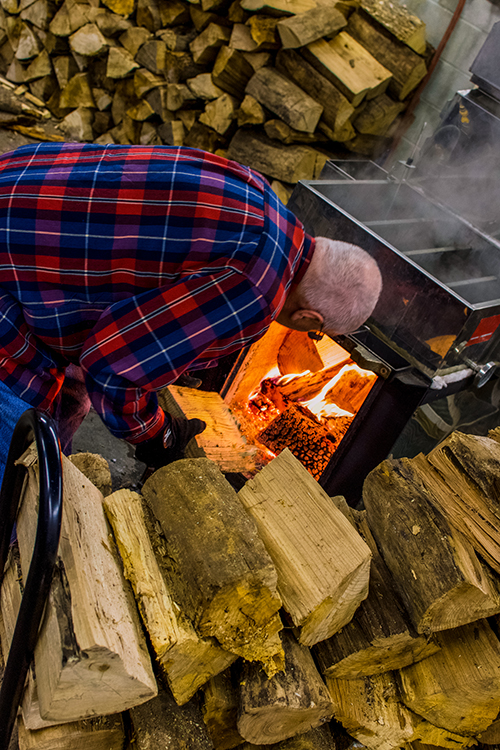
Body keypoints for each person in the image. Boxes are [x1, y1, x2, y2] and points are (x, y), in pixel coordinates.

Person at [0, 142, 382, 481]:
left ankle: (48, 473)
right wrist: (158, 434)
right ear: (309, 320)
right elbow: (111, 369)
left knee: (68, 406)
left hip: (16, 184)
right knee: (14, 482)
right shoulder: (256, 290)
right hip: (9, 288)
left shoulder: (261, 195)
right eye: (316, 332)